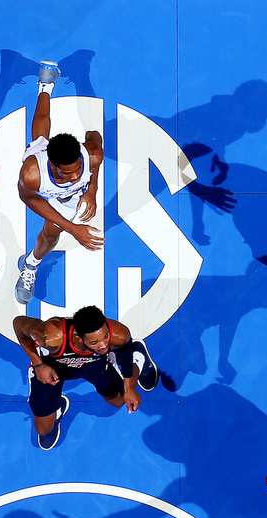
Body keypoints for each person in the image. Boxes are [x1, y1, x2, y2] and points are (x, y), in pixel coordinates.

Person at [15, 60, 104, 304]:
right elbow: (28, 197)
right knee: (40, 136)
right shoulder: (32, 174)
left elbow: (94, 137)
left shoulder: (92, 155)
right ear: (53, 165)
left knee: (51, 236)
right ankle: (31, 266)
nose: (76, 177)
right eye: (68, 174)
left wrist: (91, 191)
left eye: (78, 170)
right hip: (48, 192)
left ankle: (47, 84)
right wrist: (72, 228)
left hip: (73, 197)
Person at [12, 306, 158, 450]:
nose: (103, 346)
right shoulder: (51, 336)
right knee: (44, 430)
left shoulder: (118, 334)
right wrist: (38, 364)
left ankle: (139, 357)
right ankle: (56, 407)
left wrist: (130, 388)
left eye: (105, 337)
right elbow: (18, 324)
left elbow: (125, 351)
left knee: (120, 400)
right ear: (78, 337)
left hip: (94, 367)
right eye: (94, 342)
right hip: (52, 371)